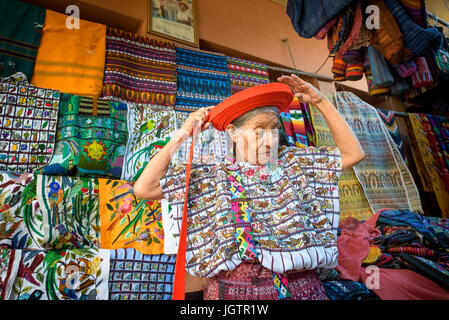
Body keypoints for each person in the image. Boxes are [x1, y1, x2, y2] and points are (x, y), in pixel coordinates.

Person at [134, 74, 365, 300]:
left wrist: (320, 101)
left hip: (305, 290)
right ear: (233, 133)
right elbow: (144, 188)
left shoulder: (294, 163)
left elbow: (353, 154)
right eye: (259, 131)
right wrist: (181, 136)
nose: (270, 140)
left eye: (274, 129)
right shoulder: (212, 174)